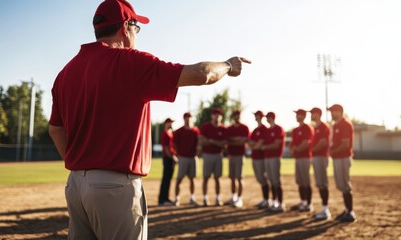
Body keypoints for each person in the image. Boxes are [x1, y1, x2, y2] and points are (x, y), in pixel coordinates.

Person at [48, 0, 251, 238]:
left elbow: (55, 130)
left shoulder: (66, 71)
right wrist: (228, 65)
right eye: (137, 27)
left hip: (75, 184)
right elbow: (202, 73)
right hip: (114, 185)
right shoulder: (130, 61)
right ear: (125, 27)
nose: (137, 34)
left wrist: (82, 165)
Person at [328, 104, 357, 222]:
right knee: (340, 184)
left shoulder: (345, 124)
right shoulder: (335, 125)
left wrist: (333, 151)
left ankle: (350, 212)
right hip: (337, 158)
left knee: (345, 184)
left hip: (343, 157)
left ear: (340, 112)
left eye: (333, 111)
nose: (331, 113)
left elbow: (345, 144)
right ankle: (346, 210)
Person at [200, 108, 227, 207]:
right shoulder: (206, 126)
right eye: (215, 114)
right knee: (206, 177)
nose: (216, 116)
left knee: (217, 178)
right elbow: (202, 141)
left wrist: (211, 141)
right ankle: (205, 198)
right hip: (207, 155)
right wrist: (216, 143)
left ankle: (218, 198)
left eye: (218, 114)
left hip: (218, 155)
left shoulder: (223, 128)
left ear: (221, 116)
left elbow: (224, 144)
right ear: (212, 116)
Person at [289, 109, 314, 212]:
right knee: (299, 181)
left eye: (298, 115)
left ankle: (309, 204)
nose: (296, 116)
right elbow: (292, 144)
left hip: (305, 157)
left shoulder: (307, 127)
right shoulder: (295, 130)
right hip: (297, 158)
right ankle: (303, 202)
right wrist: (293, 150)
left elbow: (306, 143)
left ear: (303, 116)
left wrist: (296, 149)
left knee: (306, 181)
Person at [173, 112, 200, 207]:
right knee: (179, 179)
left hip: (193, 157)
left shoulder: (196, 130)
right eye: (186, 117)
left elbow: (199, 142)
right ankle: (177, 198)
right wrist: (179, 153)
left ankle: (192, 197)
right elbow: (174, 144)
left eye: (189, 117)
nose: (188, 119)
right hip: (183, 157)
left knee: (192, 179)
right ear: (184, 119)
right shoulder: (179, 131)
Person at [309, 107, 332, 220]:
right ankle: (324, 208)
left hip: (321, 157)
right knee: (319, 183)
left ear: (317, 114)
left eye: (312, 113)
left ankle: (325, 209)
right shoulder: (315, 127)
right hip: (317, 157)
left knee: (323, 183)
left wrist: (311, 150)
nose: (311, 115)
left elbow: (323, 143)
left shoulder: (323, 126)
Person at [261, 112, 286, 212]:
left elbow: (276, 145)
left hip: (275, 157)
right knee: (271, 181)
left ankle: (280, 203)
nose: (267, 119)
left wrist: (265, 147)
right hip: (267, 157)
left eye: (268, 117)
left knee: (276, 181)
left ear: (272, 118)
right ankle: (274, 202)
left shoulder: (278, 129)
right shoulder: (267, 130)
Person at [226, 110, 250, 208]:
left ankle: (239, 199)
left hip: (240, 155)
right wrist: (238, 140)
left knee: (239, 178)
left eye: (238, 115)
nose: (237, 117)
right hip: (231, 155)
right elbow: (228, 141)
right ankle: (233, 197)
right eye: (235, 115)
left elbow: (244, 141)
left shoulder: (244, 127)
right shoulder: (230, 128)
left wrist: (234, 140)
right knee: (232, 178)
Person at [249, 111, 271, 209]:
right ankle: (264, 199)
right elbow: (250, 143)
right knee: (259, 178)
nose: (255, 117)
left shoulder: (264, 129)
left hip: (261, 158)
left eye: (256, 115)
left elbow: (259, 144)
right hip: (254, 157)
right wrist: (254, 146)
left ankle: (267, 200)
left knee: (263, 178)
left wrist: (255, 146)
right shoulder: (255, 130)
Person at [158, 118, 178, 206]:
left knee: (168, 179)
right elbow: (167, 149)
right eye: (170, 122)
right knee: (166, 179)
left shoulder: (170, 133)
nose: (171, 124)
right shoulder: (165, 134)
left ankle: (165, 198)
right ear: (166, 123)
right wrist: (173, 157)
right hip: (168, 158)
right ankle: (162, 200)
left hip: (170, 158)